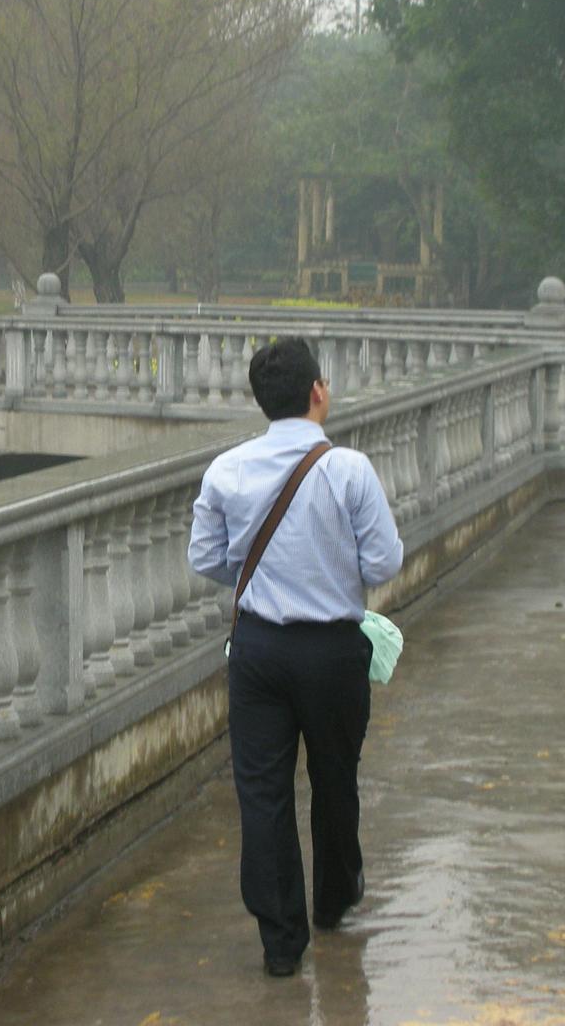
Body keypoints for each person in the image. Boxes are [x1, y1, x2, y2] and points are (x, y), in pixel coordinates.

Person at [188, 336, 403, 977]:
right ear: (318, 392)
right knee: (336, 776)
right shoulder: (349, 470)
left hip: (257, 649)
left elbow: (206, 557)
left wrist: (264, 578)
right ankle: (335, 900)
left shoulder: (227, 470)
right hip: (333, 650)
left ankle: (281, 941)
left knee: (262, 791)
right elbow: (385, 561)